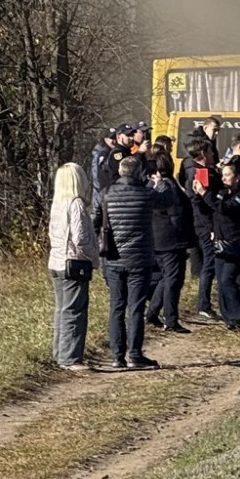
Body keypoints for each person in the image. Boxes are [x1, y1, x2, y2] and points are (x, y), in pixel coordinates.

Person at [94, 154, 158, 370]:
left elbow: (95, 221)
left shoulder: (106, 194)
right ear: (139, 172)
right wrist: (157, 182)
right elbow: (168, 199)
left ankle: (116, 355)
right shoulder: (146, 194)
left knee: (116, 306)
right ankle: (135, 354)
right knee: (136, 307)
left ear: (120, 171)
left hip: (112, 257)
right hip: (139, 258)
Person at [47, 160, 97, 371]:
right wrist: (94, 256)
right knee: (74, 311)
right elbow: (80, 238)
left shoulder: (57, 203)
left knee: (62, 310)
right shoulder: (75, 203)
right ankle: (70, 358)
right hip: (73, 263)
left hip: (56, 261)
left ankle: (60, 354)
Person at [146, 148, 194, 335]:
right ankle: (171, 319)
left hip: (157, 239)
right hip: (171, 240)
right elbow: (177, 215)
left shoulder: (151, 186)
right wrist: (184, 238)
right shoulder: (169, 187)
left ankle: (152, 313)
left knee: (166, 279)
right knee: (173, 280)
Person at [207, 158, 240, 329]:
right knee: (221, 281)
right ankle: (228, 318)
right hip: (221, 242)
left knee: (228, 279)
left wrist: (205, 195)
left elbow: (224, 209)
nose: (224, 178)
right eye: (223, 175)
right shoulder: (222, 192)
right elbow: (215, 205)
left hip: (237, 244)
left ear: (237, 177)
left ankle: (236, 319)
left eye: (228, 175)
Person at [185, 139, 218, 322]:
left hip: (200, 222)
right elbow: (202, 201)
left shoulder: (190, 170)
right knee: (210, 262)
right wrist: (210, 226)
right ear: (203, 154)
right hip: (204, 224)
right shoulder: (201, 172)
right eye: (210, 151)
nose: (213, 154)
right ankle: (204, 304)